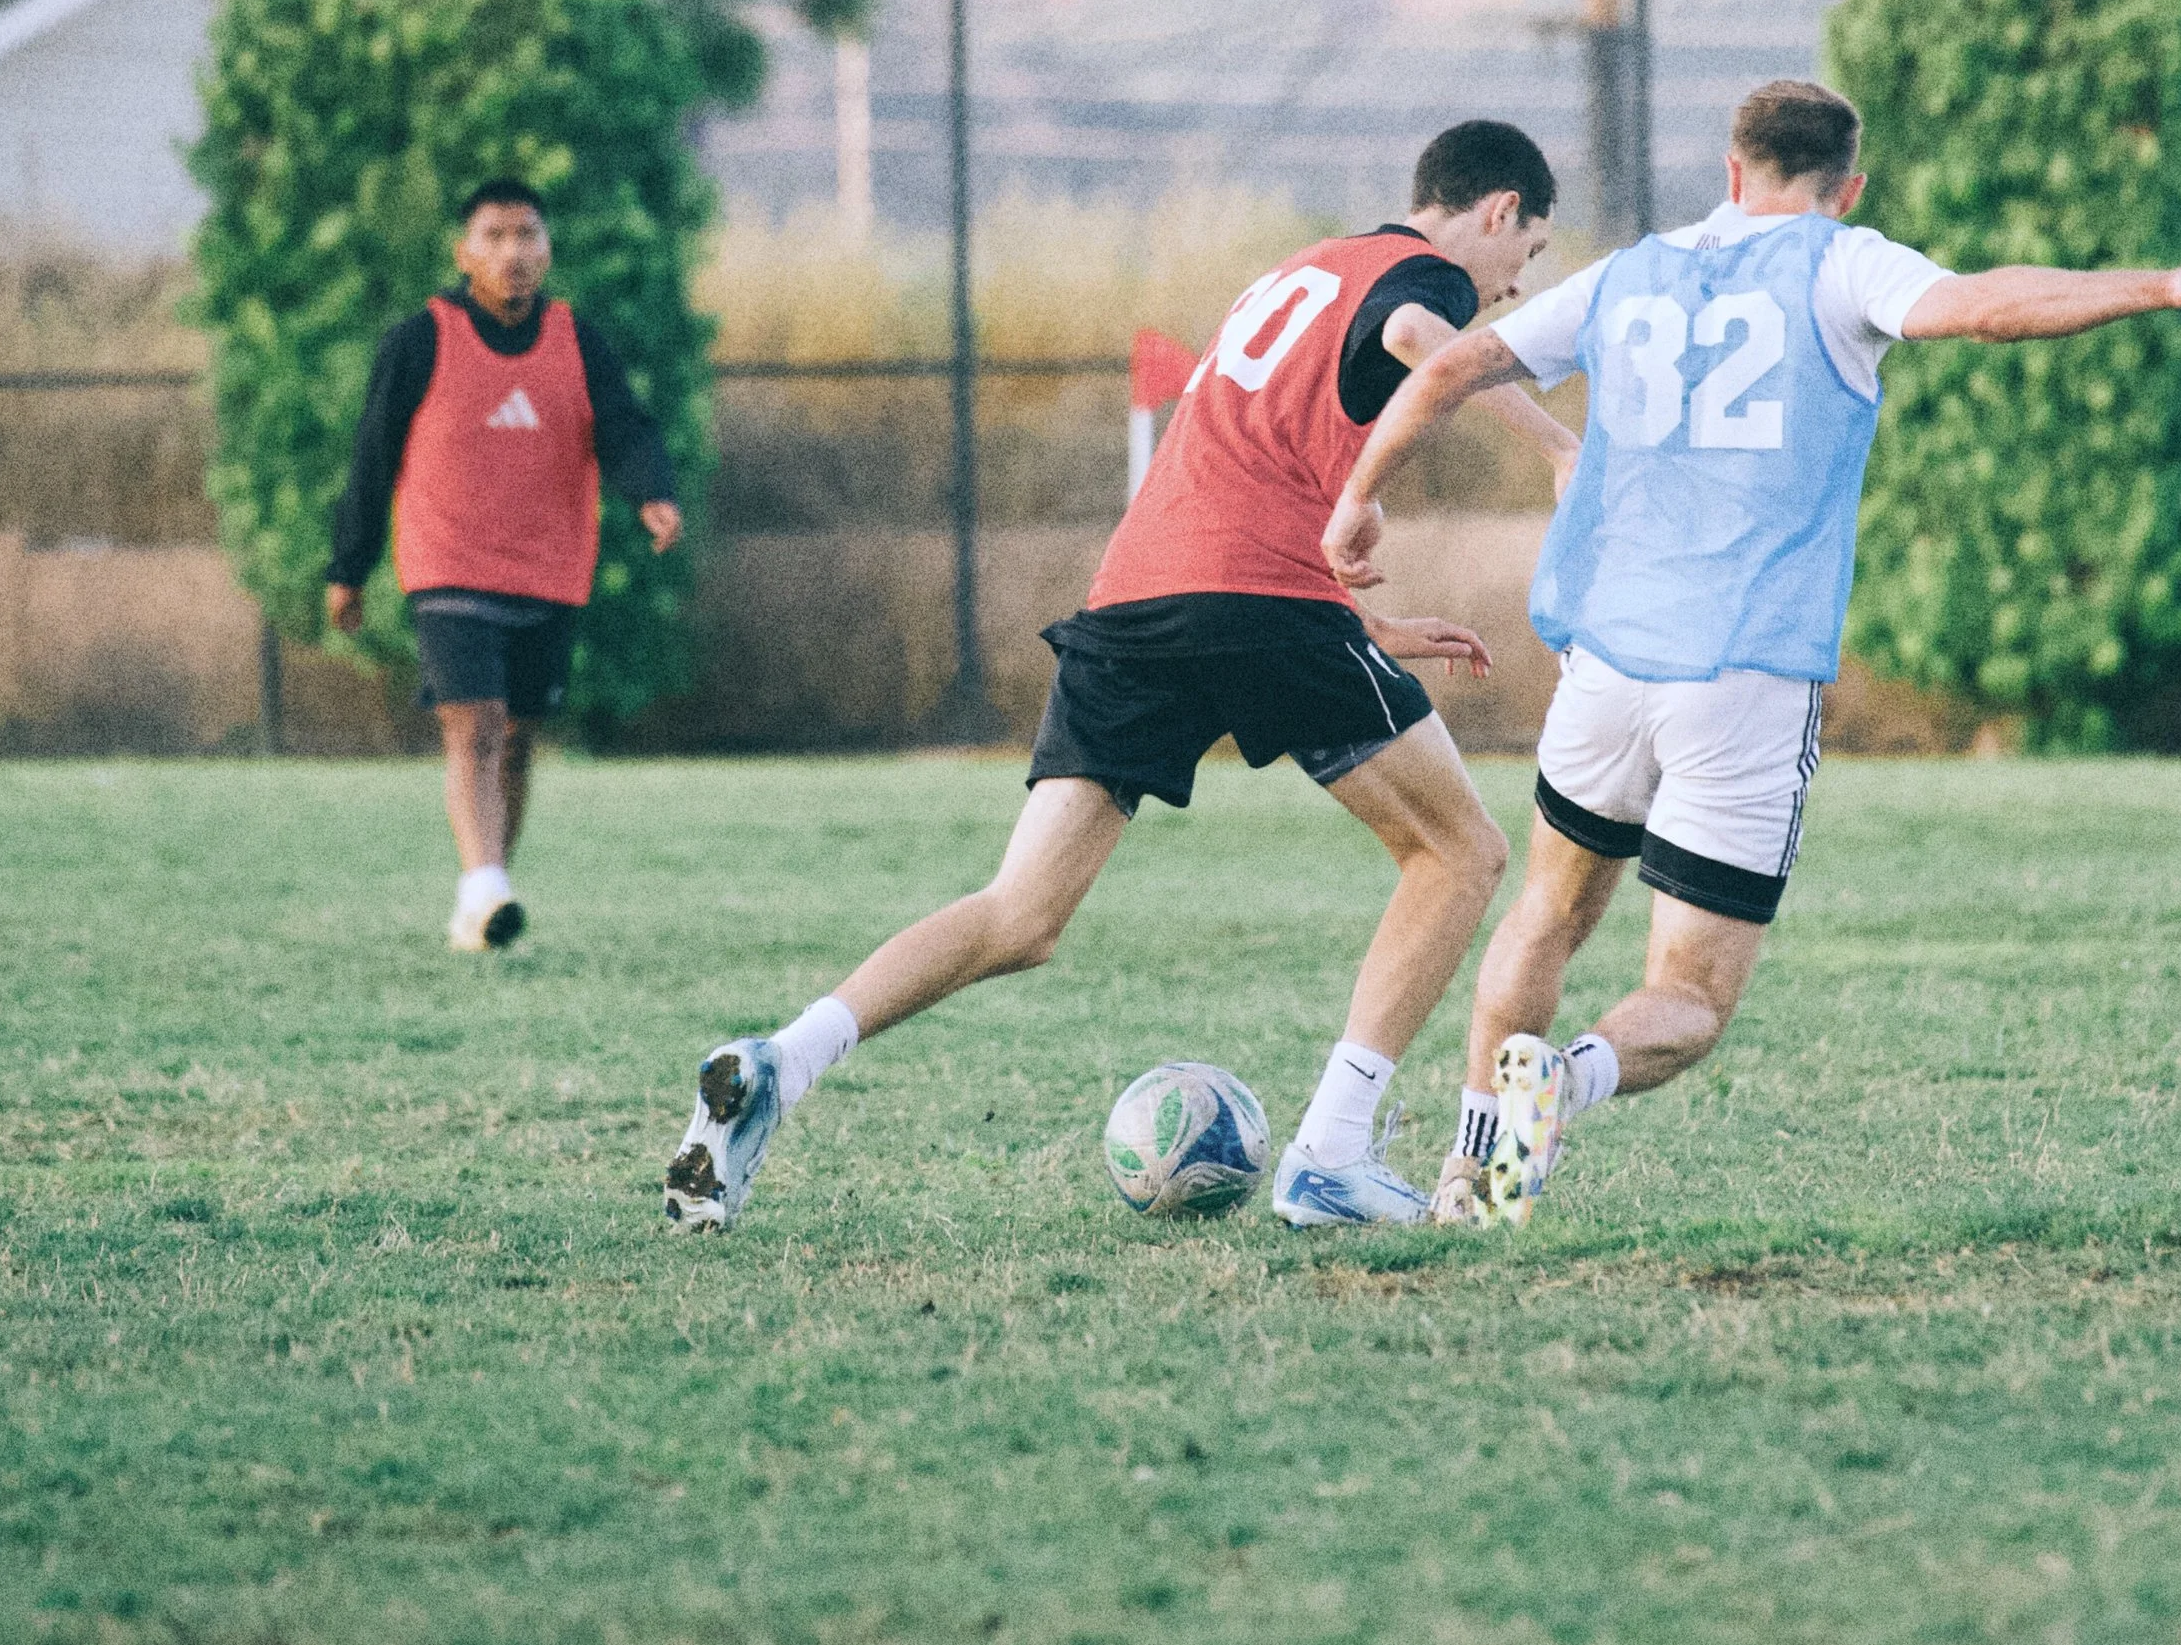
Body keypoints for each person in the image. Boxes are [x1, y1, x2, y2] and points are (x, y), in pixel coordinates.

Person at [1320, 75, 2181, 1222]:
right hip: (1744, 678)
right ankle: (1565, 1084)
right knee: (1690, 989)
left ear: (1730, 172)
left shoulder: (1630, 273)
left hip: (1609, 663)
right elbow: (1982, 305)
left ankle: (1472, 1179)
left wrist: (1355, 503)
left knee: (1545, 912)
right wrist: (2165, 285)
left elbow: (1445, 369)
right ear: (1846, 187)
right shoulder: (1840, 261)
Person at [662, 120, 1576, 1234]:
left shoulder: (1295, 271)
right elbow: (1432, 348)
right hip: (1257, 600)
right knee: (1459, 853)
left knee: (1020, 915)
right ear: (1494, 211)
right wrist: (1553, 445)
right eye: (1521, 259)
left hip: (1138, 600)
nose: (1507, 287)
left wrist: (1358, 627)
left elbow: (1250, 470)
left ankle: (782, 1060)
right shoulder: (1416, 272)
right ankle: (1333, 1152)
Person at [326, 177, 684, 951]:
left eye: (527, 235)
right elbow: (373, 456)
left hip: (547, 568)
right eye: (494, 236)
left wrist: (652, 492)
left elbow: (624, 427)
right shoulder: (419, 340)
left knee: (518, 738)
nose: (513, 252)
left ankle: (483, 900)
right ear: (464, 252)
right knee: (476, 726)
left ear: (548, 249)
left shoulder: (576, 340)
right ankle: (485, 883)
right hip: (448, 564)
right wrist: (348, 566)